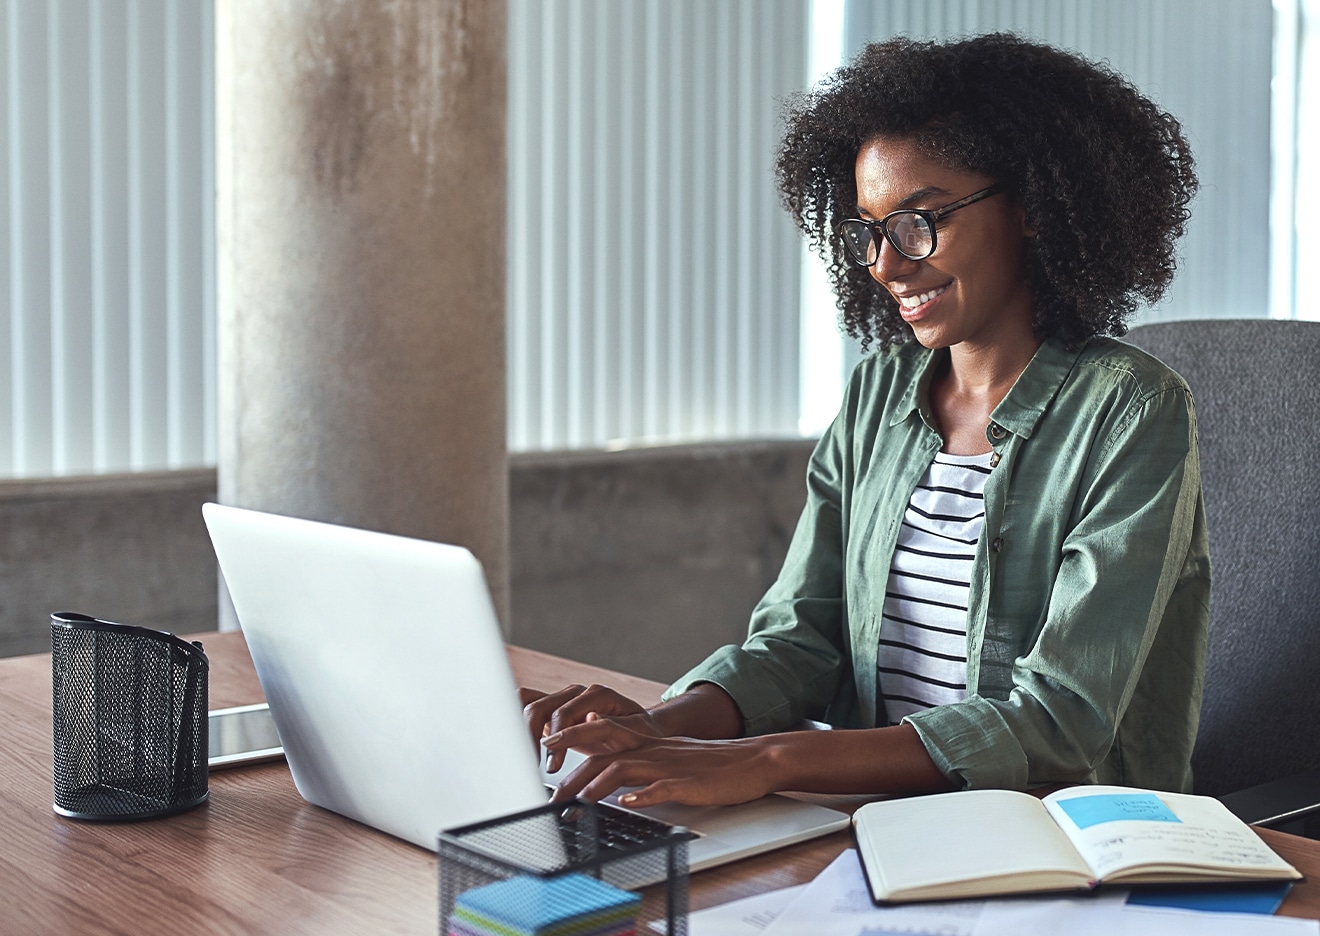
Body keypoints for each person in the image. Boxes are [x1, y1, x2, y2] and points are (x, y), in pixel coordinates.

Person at [522, 33, 1210, 809]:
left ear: (1031, 209)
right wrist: (661, 724)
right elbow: (801, 640)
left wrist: (773, 759)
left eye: (920, 222)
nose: (885, 263)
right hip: (875, 822)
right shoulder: (878, 396)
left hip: (1060, 841)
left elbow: (1060, 722)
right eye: (868, 231)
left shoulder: (1132, 411)